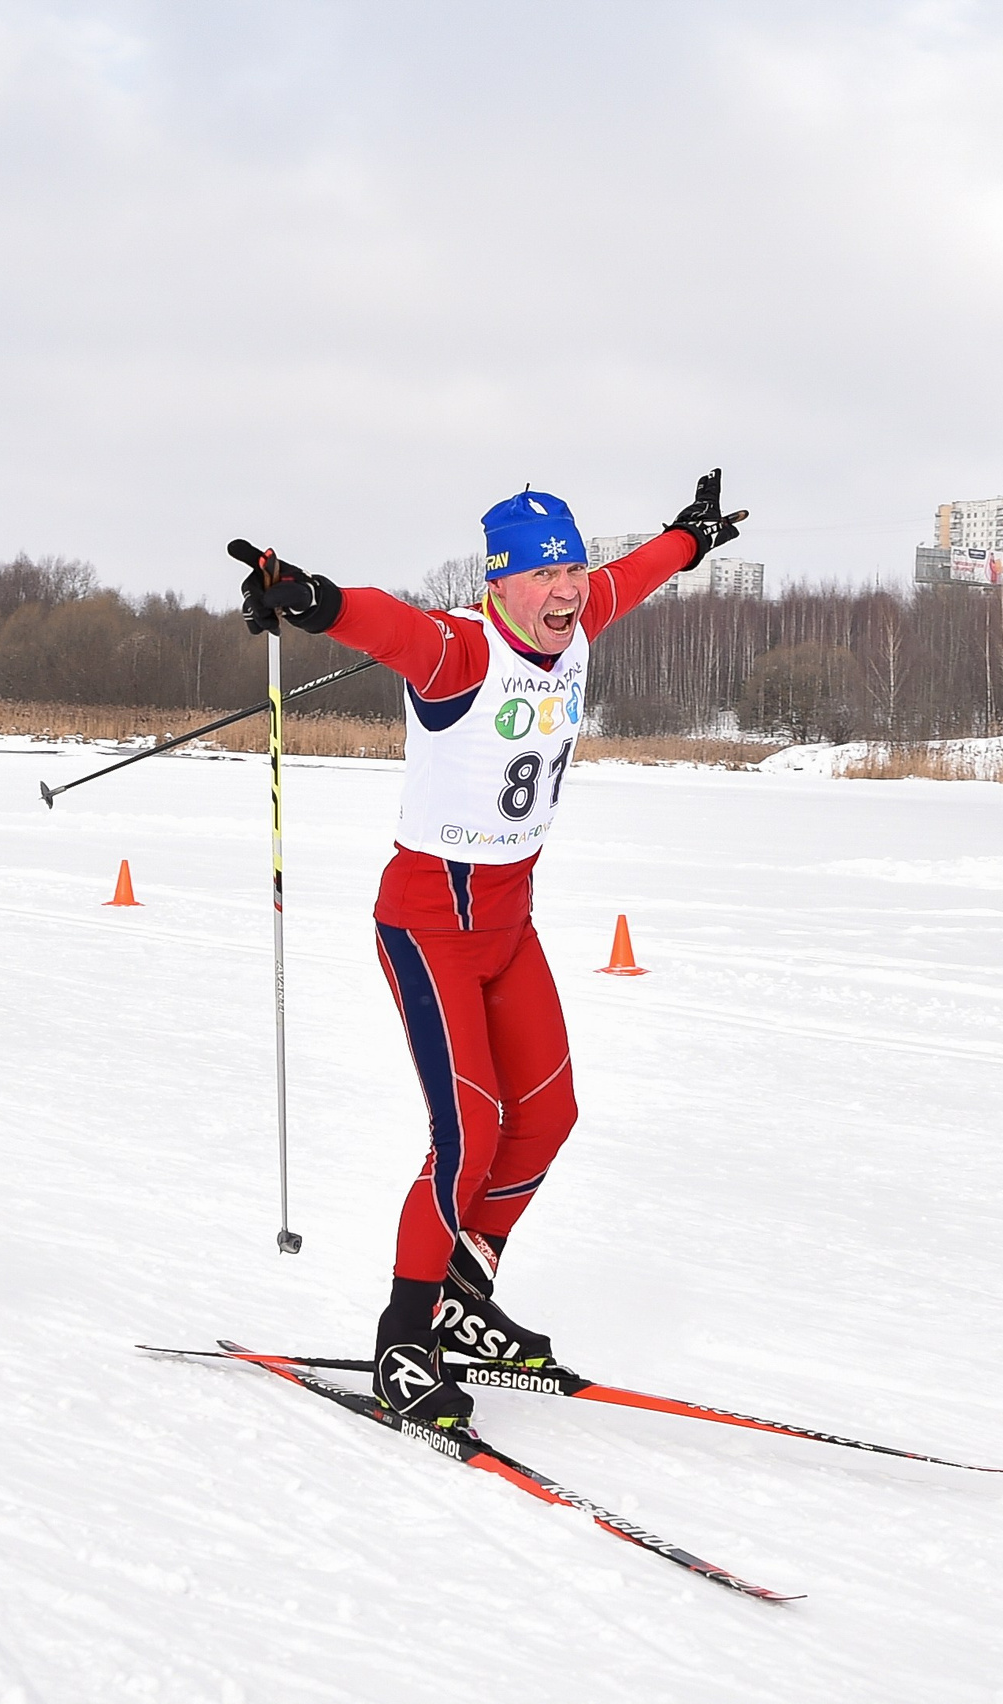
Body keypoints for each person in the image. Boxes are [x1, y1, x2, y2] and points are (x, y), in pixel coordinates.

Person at [236, 471, 746, 1426]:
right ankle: (403, 1338)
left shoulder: (578, 613)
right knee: (466, 1137)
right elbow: (378, 622)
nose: (567, 588)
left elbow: (636, 573)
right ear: (500, 582)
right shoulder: (455, 652)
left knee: (547, 1115)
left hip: (509, 922)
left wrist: (692, 537)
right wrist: (308, 599)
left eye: (571, 566)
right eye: (544, 572)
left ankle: (466, 1292)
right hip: (428, 925)